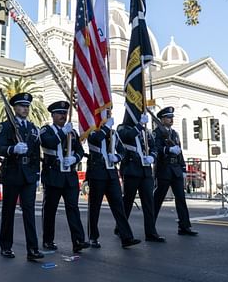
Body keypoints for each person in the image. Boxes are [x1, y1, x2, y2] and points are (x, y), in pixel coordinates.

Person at [0, 92, 44, 261]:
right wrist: (12, 149)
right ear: (14, 108)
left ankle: (33, 249)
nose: (25, 109)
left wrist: (37, 174)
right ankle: (6, 246)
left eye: (27, 106)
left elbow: (37, 153)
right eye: (22, 106)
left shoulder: (32, 128)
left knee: (29, 212)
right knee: (8, 211)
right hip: (12, 173)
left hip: (29, 175)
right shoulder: (6, 126)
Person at [38, 100, 90, 254]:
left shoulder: (72, 133)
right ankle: (48, 240)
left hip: (69, 176)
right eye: (60, 113)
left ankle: (78, 240)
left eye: (65, 113)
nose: (63, 116)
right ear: (53, 115)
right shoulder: (46, 130)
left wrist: (75, 158)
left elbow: (80, 150)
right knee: (50, 210)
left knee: (73, 208)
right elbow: (50, 143)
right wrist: (62, 132)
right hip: (53, 175)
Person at [85, 110, 141, 249]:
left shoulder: (113, 133)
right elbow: (96, 140)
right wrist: (106, 127)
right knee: (95, 207)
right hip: (97, 173)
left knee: (118, 206)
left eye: (109, 114)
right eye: (105, 114)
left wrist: (117, 157)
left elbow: (122, 150)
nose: (108, 117)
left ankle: (126, 237)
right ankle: (93, 237)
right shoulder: (92, 130)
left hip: (111, 174)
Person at [116, 113, 165, 243]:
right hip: (131, 169)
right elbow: (127, 137)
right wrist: (139, 126)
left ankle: (151, 233)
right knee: (128, 201)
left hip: (145, 171)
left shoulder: (146, 131)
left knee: (149, 203)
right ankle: (121, 227)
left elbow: (153, 147)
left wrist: (152, 157)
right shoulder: (122, 128)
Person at [152, 107, 198, 236]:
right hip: (164, 169)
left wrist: (183, 167)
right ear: (161, 119)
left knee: (181, 199)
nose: (171, 119)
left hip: (176, 169)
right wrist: (168, 150)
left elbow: (180, 152)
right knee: (158, 199)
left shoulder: (175, 134)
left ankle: (184, 226)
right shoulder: (157, 133)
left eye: (172, 117)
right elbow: (156, 149)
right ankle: (150, 227)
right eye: (168, 117)